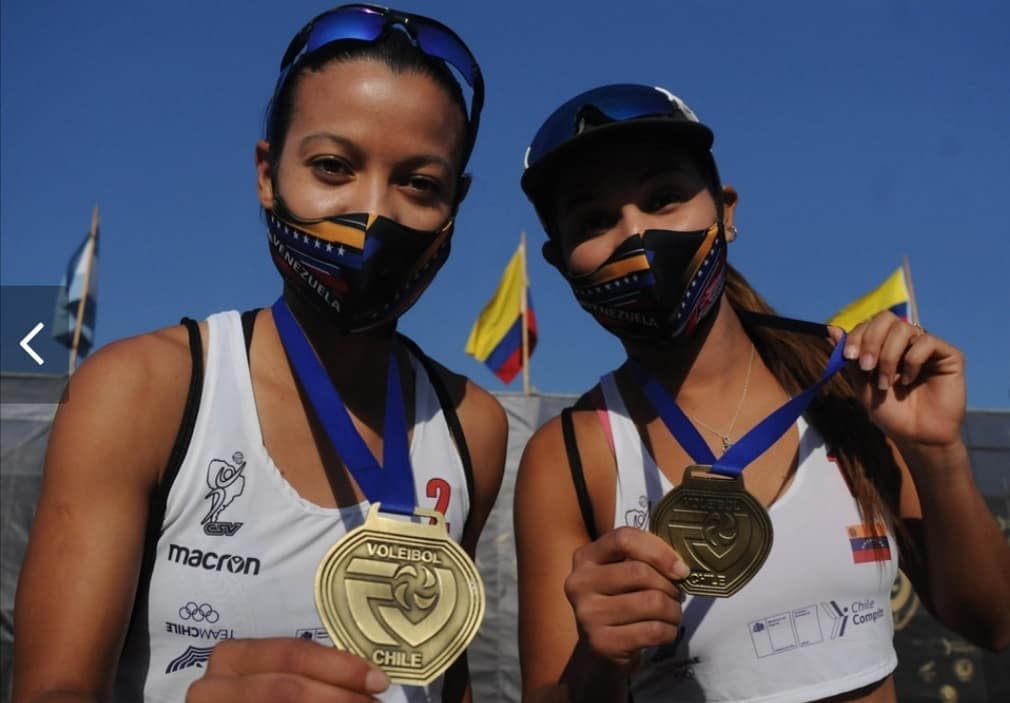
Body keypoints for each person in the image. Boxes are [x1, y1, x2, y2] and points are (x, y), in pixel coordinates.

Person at [13, 5, 506, 702]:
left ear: (458, 203)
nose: (374, 215)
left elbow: (439, 668)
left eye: (420, 184)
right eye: (333, 167)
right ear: (267, 174)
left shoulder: (470, 425)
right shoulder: (143, 390)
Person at [514, 83, 1010, 703]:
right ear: (561, 263)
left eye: (664, 197)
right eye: (594, 220)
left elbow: (992, 622)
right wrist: (597, 660)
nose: (636, 235)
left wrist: (939, 453)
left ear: (725, 211)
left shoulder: (844, 391)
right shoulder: (568, 456)